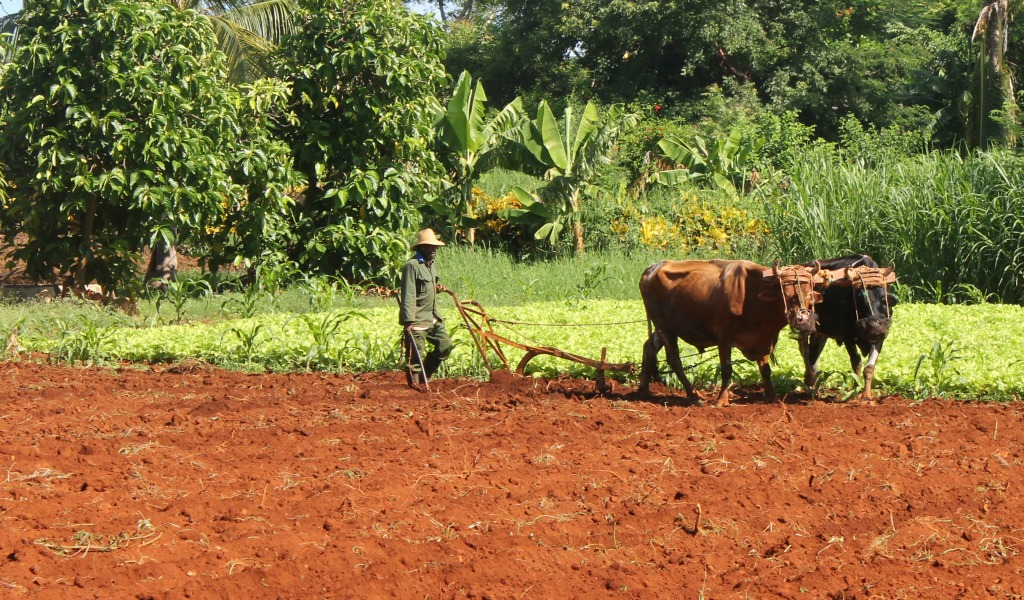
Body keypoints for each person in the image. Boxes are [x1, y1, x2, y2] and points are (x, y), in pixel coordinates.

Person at [399, 228, 453, 386]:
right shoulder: (412, 266)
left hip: (432, 316)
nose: (433, 249)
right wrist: (408, 322)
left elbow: (424, 288)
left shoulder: (431, 265)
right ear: (421, 247)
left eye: (435, 246)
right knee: (415, 356)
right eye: (429, 246)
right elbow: (409, 294)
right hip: (417, 318)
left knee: (445, 345)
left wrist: (436, 288)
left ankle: (425, 374)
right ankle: (414, 387)